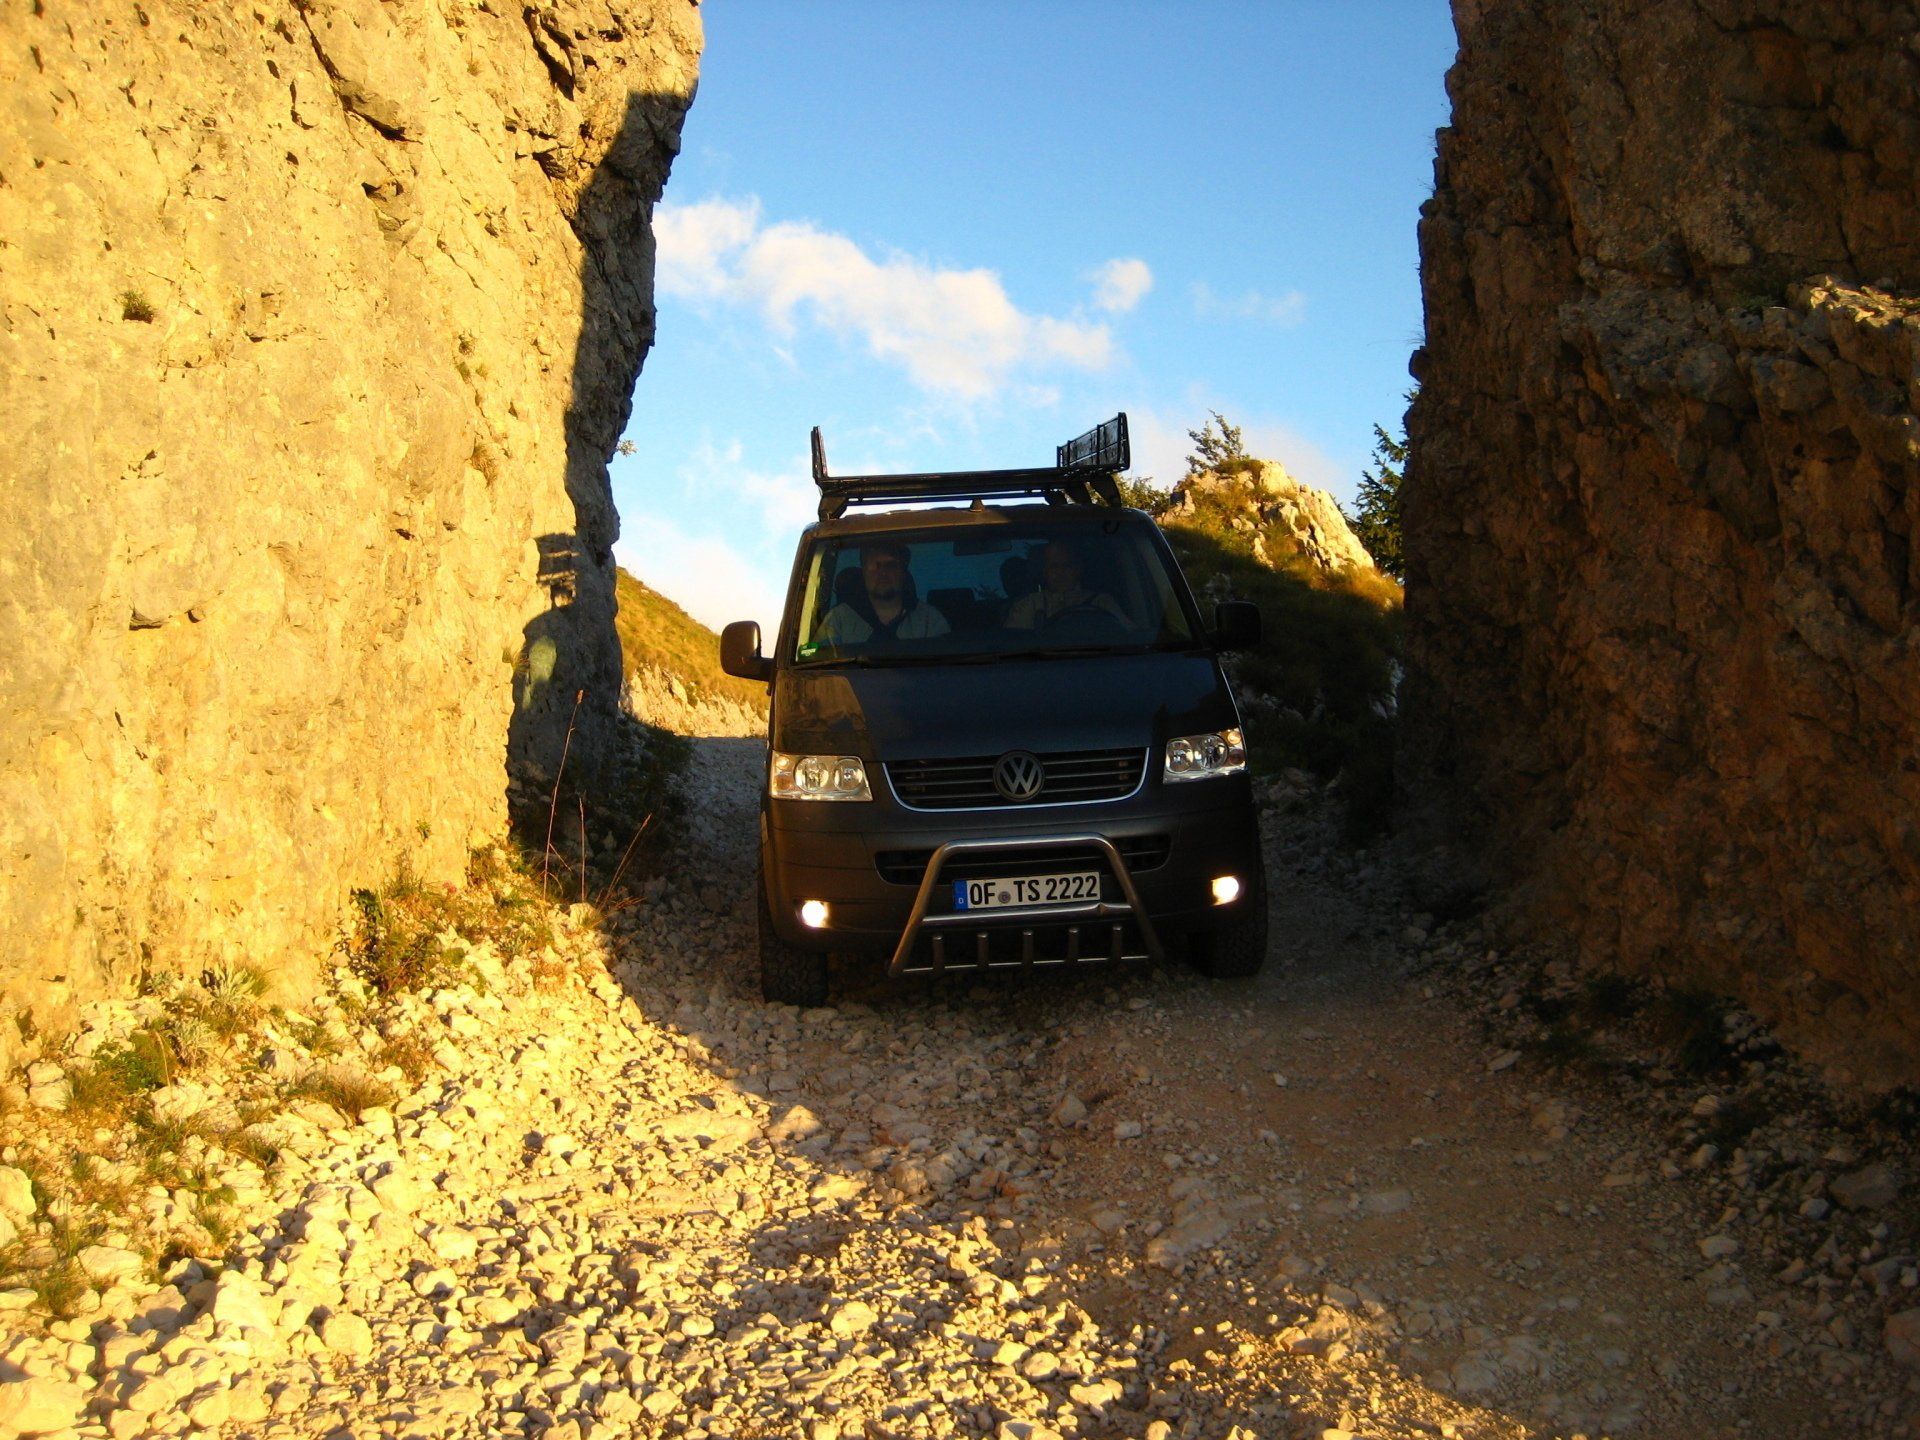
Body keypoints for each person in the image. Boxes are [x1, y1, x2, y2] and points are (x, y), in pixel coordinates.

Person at [818, 542, 951, 644]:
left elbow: (944, 673)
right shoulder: (838, 620)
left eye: (890, 565)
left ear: (903, 572)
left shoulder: (930, 620)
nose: (882, 573)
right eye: (875, 566)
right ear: (864, 572)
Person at [1005, 539, 1129, 630]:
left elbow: (1128, 635)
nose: (1060, 572)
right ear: (1044, 571)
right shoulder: (1029, 605)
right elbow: (1014, 643)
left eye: (1067, 565)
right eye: (1054, 566)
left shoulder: (1102, 603)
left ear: (1078, 569)